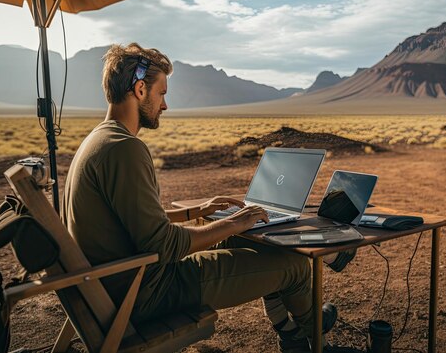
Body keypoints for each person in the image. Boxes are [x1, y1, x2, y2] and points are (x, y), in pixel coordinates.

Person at [62, 43, 352, 352]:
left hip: (124, 282)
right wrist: (235, 222)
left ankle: (294, 333)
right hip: (148, 290)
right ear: (140, 89)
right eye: (162, 93)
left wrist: (197, 212)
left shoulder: (100, 140)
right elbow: (162, 244)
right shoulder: (125, 149)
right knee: (292, 267)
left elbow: (131, 221)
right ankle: (317, 337)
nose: (165, 105)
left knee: (247, 240)